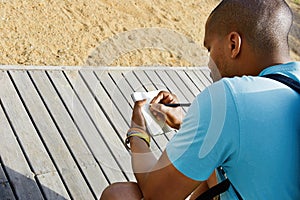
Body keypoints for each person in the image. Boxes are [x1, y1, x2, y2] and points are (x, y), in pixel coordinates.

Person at [101, 0, 300, 199]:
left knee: (119, 194)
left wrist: (138, 132)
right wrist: (186, 123)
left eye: (210, 48)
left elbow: (156, 194)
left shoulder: (229, 97)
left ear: (233, 44)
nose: (208, 63)